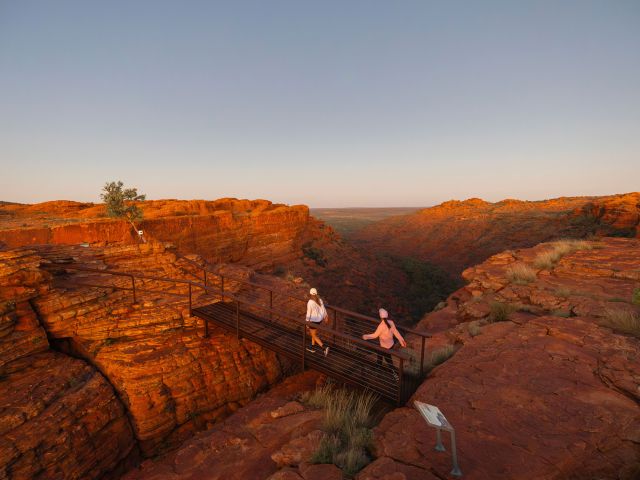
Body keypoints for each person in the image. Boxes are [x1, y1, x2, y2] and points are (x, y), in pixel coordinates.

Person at [362, 308, 406, 380]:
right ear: (387, 315)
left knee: (389, 362)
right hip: (391, 345)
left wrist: (365, 336)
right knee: (379, 356)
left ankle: (397, 377)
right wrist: (402, 341)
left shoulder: (381, 326)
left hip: (384, 347)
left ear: (380, 316)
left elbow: (375, 335)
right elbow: (396, 332)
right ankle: (378, 371)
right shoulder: (391, 322)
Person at [305, 287, 329, 356]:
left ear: (310, 293)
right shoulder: (320, 300)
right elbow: (323, 309)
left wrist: (306, 322)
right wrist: (325, 316)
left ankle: (324, 347)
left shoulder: (310, 302)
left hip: (313, 321)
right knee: (314, 333)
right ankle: (312, 347)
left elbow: (308, 313)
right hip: (319, 320)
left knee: (313, 335)